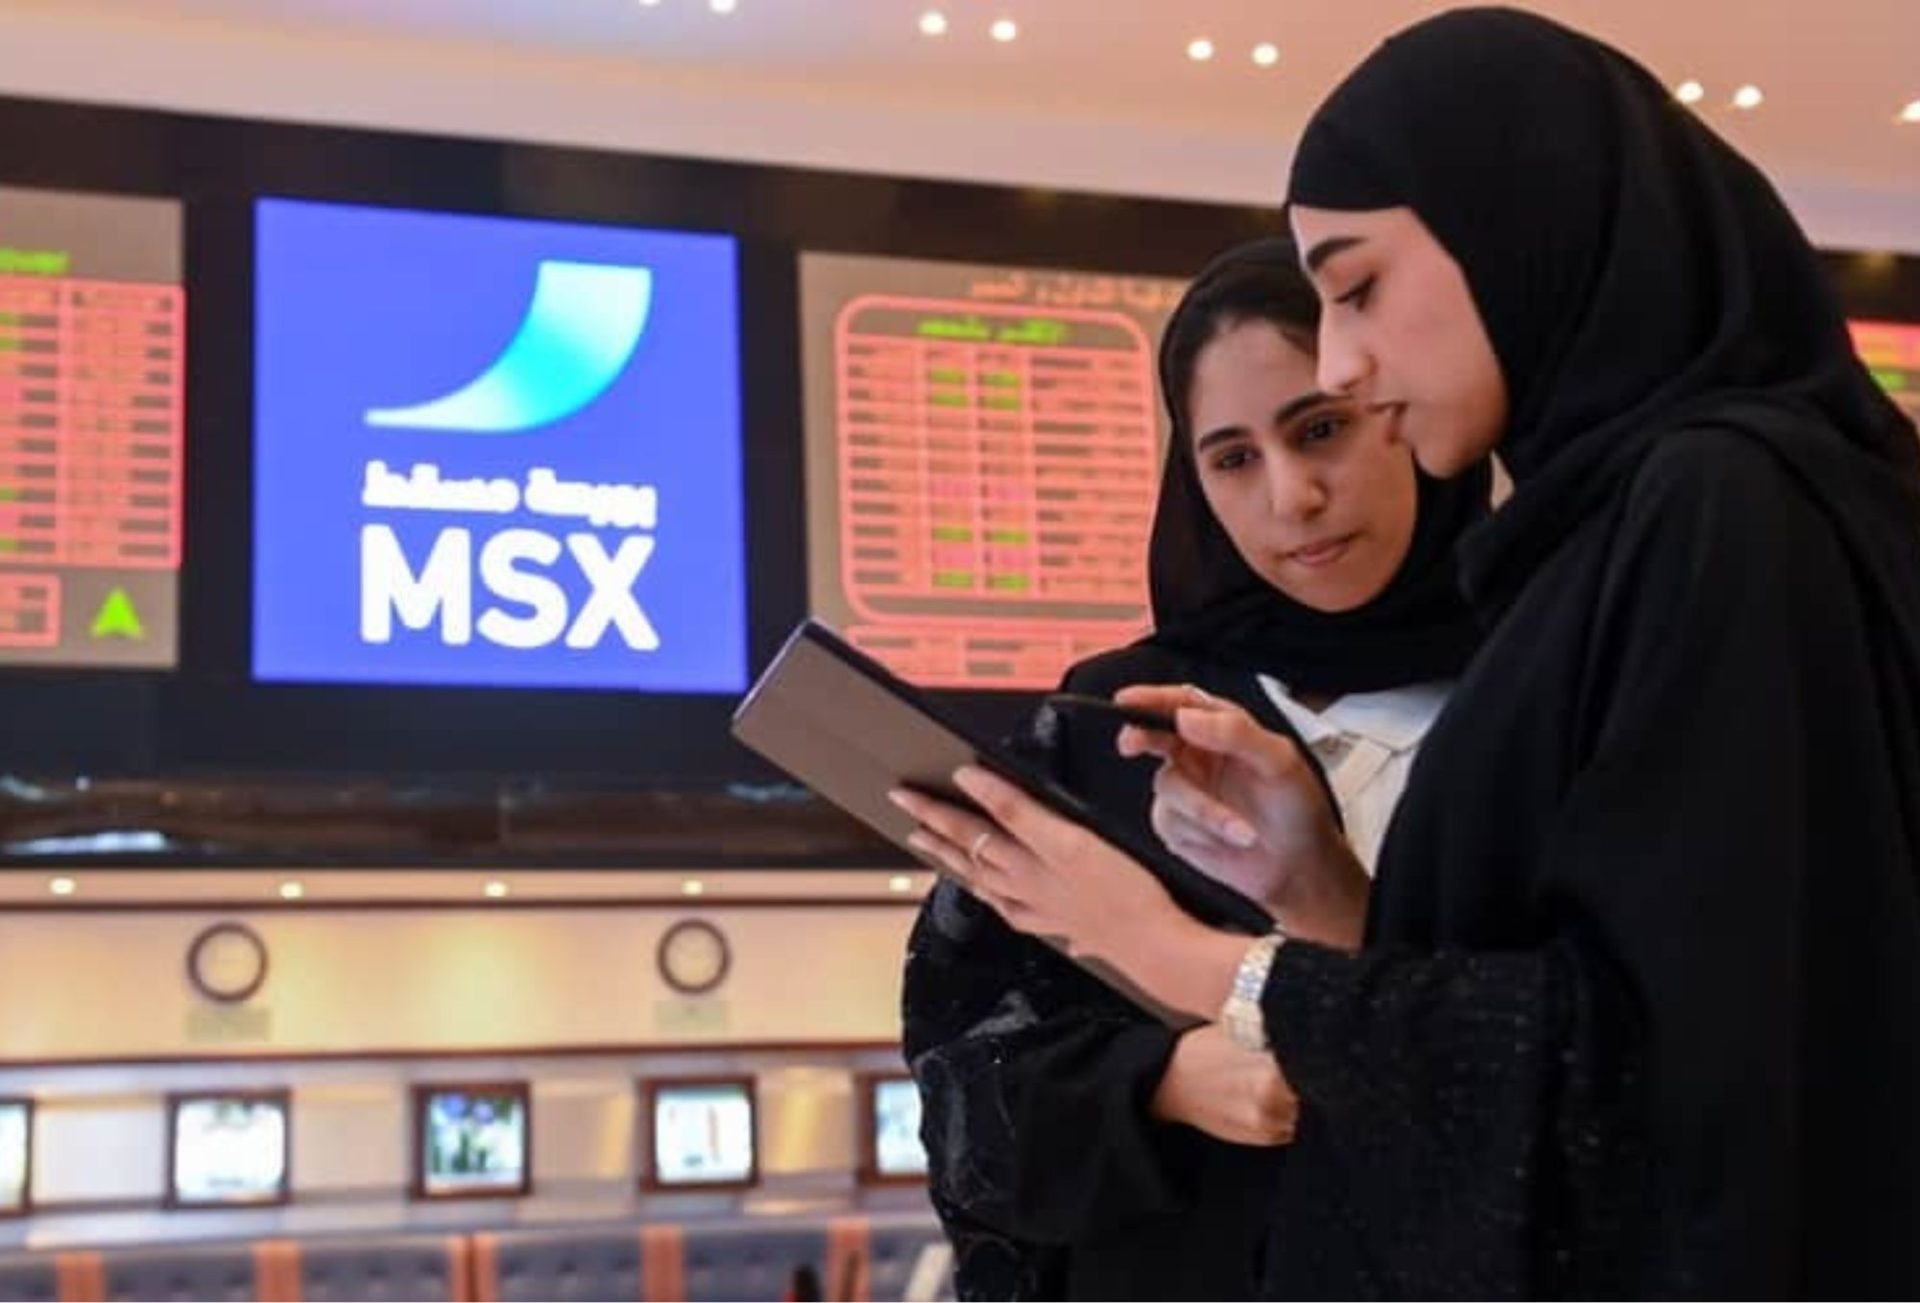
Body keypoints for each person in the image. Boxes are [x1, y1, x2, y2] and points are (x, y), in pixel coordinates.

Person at [892, 9, 1920, 1297]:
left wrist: (1188, 958)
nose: (1350, 367)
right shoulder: (1126, 722)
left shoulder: (1709, 512)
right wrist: (1314, 906)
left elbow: (1646, 1084)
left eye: (1359, 291)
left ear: (1517, 227)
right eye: (1231, 458)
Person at [902, 238, 1491, 1299]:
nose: (1293, 495)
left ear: (1400, 410)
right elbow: (966, 1093)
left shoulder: (1542, 694)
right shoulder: (1113, 726)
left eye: (1321, 428)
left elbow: (1591, 1052)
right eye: (1233, 458)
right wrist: (1162, 1085)